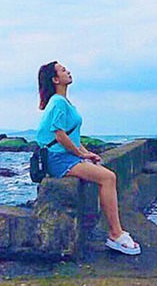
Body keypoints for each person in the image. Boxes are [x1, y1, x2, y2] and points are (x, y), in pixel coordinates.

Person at [35, 61, 141, 255]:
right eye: (63, 70)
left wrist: (86, 152)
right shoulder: (58, 102)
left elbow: (72, 136)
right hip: (58, 159)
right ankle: (115, 234)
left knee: (104, 173)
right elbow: (59, 135)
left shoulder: (63, 102)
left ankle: (115, 231)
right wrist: (81, 154)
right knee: (108, 177)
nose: (68, 71)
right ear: (55, 79)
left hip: (65, 155)